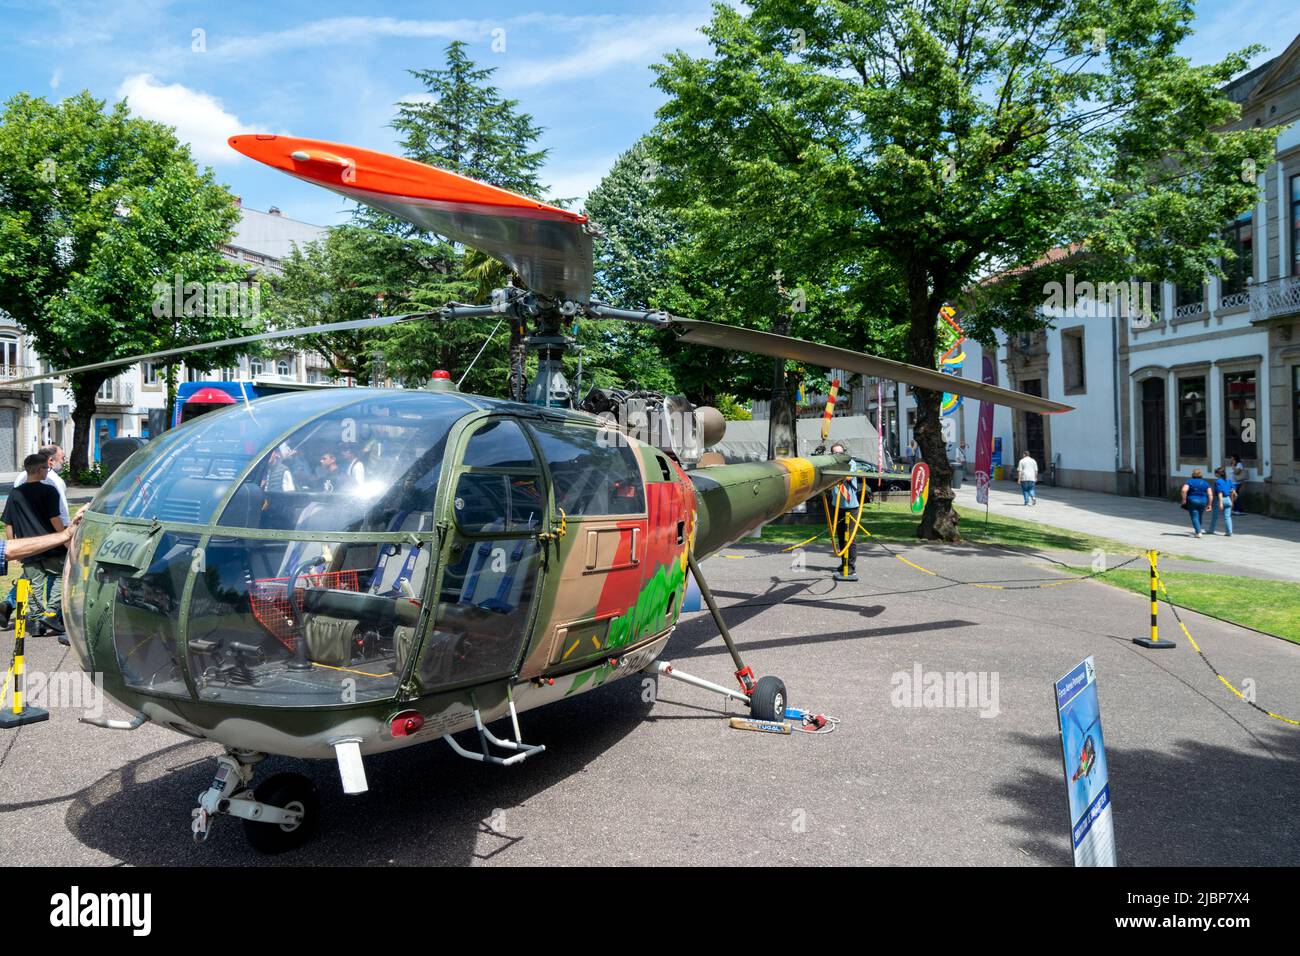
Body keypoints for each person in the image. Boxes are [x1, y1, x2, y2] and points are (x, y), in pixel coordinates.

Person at [1, 454, 67, 634]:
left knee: (33, 585)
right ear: (39, 470)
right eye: (47, 468)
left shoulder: (15, 493)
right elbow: (55, 518)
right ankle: (51, 613)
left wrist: (14, 547)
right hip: (51, 545)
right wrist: (64, 537)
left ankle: (37, 624)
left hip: (27, 548)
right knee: (62, 576)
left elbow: (8, 523)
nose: (48, 471)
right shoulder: (49, 491)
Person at [828, 442, 863, 576]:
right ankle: (844, 563)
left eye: (840, 453)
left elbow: (848, 476)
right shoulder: (830, 464)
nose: (838, 455)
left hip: (850, 506)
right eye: (835, 453)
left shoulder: (851, 463)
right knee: (841, 537)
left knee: (850, 538)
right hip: (836, 505)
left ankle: (851, 565)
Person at [1180, 468, 1213, 538]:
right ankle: (1197, 530)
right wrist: (1209, 504)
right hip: (1203, 501)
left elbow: (1183, 490)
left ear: (1193, 474)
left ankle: (1198, 532)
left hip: (1192, 501)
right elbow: (1210, 494)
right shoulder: (1205, 483)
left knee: (1194, 516)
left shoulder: (1190, 481)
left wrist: (1184, 499)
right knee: (1199, 516)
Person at [1207, 466, 1235, 536]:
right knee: (1227, 517)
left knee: (1215, 516)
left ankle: (1211, 530)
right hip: (1228, 499)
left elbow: (1220, 492)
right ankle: (1229, 532)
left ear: (1218, 474)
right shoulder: (1228, 481)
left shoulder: (1218, 481)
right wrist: (1232, 500)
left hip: (1219, 499)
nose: (1214, 474)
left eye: (1215, 473)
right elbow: (1233, 490)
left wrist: (1221, 503)